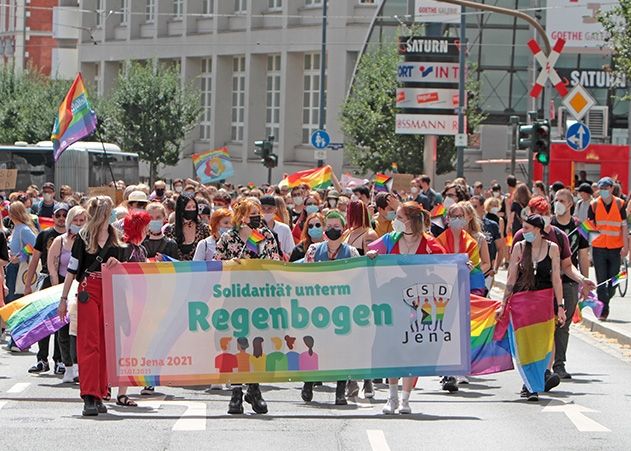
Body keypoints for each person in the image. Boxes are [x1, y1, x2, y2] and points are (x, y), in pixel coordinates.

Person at [366, 201, 446, 414]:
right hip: (393, 300)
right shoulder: (391, 239)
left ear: (411, 221)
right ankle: (391, 397)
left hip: (422, 303)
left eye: (399, 218)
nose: (395, 222)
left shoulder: (429, 243)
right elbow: (370, 252)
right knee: (392, 348)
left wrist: (461, 265)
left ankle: (405, 399)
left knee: (413, 349)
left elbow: (446, 263)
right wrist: (372, 256)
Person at [58, 196, 131, 416]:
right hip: (88, 291)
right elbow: (72, 271)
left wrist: (119, 264)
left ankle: (101, 392)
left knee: (106, 343)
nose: (113, 217)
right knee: (89, 343)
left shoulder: (116, 239)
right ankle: (89, 395)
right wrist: (63, 299)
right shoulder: (83, 237)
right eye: (109, 212)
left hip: (109, 290)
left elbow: (125, 271)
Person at [214, 198, 281, 415]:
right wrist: (234, 262)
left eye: (258, 212)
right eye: (251, 212)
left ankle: (254, 387)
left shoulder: (266, 235)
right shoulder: (228, 238)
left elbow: (274, 262)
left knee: (257, 341)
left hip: (260, 296)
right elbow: (217, 265)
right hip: (235, 296)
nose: (256, 216)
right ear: (241, 215)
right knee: (237, 342)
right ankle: (236, 391)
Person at [498, 215, 566, 402]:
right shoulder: (519, 247)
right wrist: (504, 303)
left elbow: (556, 280)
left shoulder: (552, 248)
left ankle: (532, 382)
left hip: (543, 302)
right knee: (524, 345)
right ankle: (530, 386)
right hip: (522, 302)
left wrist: (560, 306)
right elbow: (511, 278)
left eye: (527, 228)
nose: (524, 232)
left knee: (541, 345)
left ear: (538, 229)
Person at [301, 211, 360, 406]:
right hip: (317, 308)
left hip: (341, 309)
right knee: (313, 346)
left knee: (341, 348)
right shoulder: (313, 250)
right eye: (330, 226)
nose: (332, 230)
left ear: (343, 230)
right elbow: (305, 275)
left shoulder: (351, 252)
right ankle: (308, 381)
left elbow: (357, 278)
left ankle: (340, 390)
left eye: (337, 226)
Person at [24, 203, 69, 375]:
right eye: (58, 215)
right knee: (43, 323)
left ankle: (60, 360)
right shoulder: (44, 235)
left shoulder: (73, 236)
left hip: (65, 281)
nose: (61, 218)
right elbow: (34, 260)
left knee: (61, 322)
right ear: (53, 217)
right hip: (46, 281)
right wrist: (28, 285)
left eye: (65, 215)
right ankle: (42, 359)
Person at [551, 189, 590, 379]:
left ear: (570, 204)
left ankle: (559, 364)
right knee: (547, 322)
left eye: (561, 200)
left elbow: (583, 255)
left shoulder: (579, 227)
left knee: (563, 323)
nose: (557, 203)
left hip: (569, 281)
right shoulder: (548, 225)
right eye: (555, 200)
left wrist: (584, 281)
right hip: (548, 281)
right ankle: (544, 363)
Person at [47, 206, 87, 383]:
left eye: (82, 220)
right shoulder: (59, 241)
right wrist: (58, 289)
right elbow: (52, 264)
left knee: (77, 330)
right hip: (63, 286)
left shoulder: (89, 240)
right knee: (62, 329)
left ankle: (78, 365)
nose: (78, 224)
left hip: (82, 289)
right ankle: (67, 367)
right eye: (75, 221)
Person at [589, 177, 627, 320]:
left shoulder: (620, 204)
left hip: (615, 248)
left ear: (612, 188)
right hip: (598, 248)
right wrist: (589, 249)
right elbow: (590, 228)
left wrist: (626, 246)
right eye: (602, 189)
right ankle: (603, 310)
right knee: (601, 281)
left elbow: (624, 227)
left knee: (614, 280)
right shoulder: (593, 205)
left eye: (606, 188)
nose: (604, 191)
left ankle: (606, 299)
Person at [6, 202, 37, 304]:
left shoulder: (24, 229)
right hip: (13, 267)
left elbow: (34, 245)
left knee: (13, 299)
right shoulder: (17, 228)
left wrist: (20, 257)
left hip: (18, 268)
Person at [164, 194, 211, 261]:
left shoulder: (204, 229)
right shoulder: (169, 230)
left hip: (199, 270)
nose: (192, 210)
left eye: (194, 207)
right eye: (188, 207)